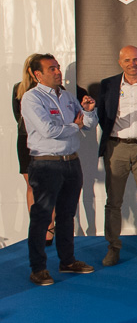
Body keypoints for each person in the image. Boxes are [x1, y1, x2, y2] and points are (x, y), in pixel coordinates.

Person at [21, 54, 98, 286]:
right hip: (46, 164)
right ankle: (38, 269)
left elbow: (88, 125)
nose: (57, 72)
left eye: (57, 67)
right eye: (51, 69)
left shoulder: (67, 96)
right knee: (42, 217)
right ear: (38, 75)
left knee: (67, 214)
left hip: (71, 162)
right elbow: (48, 131)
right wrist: (75, 125)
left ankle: (67, 261)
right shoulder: (32, 98)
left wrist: (88, 111)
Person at [97, 46, 137, 266]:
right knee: (113, 201)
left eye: (135, 59)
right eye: (127, 60)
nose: (132, 64)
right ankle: (113, 247)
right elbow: (102, 115)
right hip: (116, 147)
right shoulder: (108, 85)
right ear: (120, 62)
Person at [13, 54, 56, 247]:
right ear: (31, 70)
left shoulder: (55, 88)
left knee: (48, 186)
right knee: (32, 185)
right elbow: (18, 117)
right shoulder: (19, 89)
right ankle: (37, 227)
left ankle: (49, 226)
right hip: (25, 141)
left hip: (47, 142)